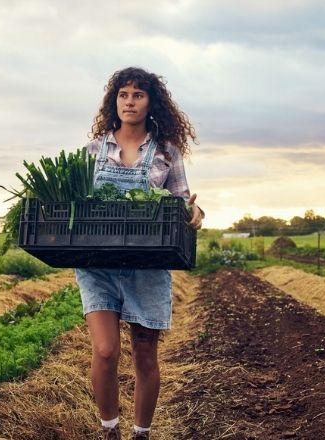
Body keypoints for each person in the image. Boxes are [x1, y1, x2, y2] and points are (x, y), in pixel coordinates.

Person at [76, 67, 204, 440]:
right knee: (105, 350)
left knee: (145, 353)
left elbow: (182, 204)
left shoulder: (166, 152)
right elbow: (79, 203)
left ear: (151, 103)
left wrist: (195, 214)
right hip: (97, 264)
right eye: (123, 95)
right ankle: (110, 431)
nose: (129, 102)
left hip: (148, 265)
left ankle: (140, 434)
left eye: (138, 95)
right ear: (114, 102)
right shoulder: (94, 150)